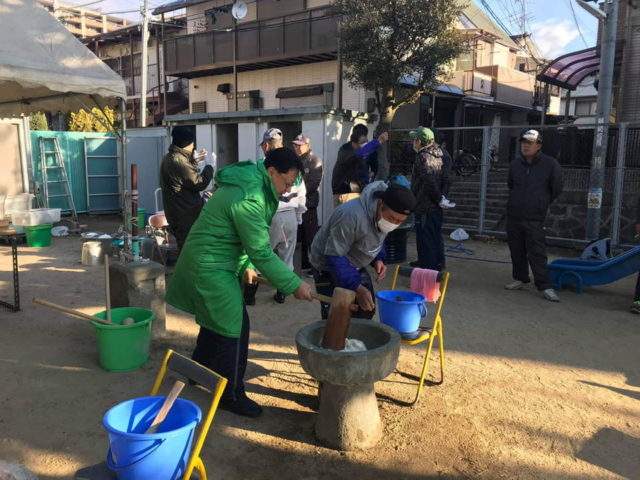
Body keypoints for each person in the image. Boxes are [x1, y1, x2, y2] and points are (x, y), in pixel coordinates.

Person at [166, 148, 314, 417]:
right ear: (272, 172)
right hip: (210, 264)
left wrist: (245, 265)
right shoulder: (251, 195)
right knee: (234, 326)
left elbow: (240, 235)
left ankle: (199, 372)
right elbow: (260, 250)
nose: (288, 189)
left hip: (215, 260)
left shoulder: (255, 182)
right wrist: (293, 284)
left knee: (216, 322)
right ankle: (230, 394)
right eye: (287, 183)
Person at [310, 182, 416, 319]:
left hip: (354, 263)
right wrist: (357, 288)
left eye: (399, 221)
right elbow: (334, 255)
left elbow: (377, 236)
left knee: (365, 309)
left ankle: (355, 339)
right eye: (391, 218)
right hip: (327, 264)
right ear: (380, 204)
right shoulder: (351, 215)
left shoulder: (384, 215)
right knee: (336, 315)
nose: (393, 224)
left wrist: (378, 258)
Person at [505, 129, 563, 302]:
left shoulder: (550, 164)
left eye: (529, 142)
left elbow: (557, 188)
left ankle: (544, 285)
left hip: (535, 217)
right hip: (514, 215)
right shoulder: (515, 164)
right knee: (516, 250)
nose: (525, 145)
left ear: (538, 145)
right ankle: (520, 278)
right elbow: (511, 185)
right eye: (523, 142)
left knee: (537, 251)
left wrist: (540, 202)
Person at [160, 126, 215, 250]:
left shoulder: (170, 157)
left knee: (187, 249)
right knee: (190, 251)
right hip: (185, 214)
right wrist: (210, 166)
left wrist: (193, 162)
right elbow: (199, 183)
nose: (193, 146)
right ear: (188, 143)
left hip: (177, 213)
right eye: (192, 143)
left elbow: (183, 179)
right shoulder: (179, 161)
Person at [410, 127, 448, 271]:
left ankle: (428, 271)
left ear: (419, 141)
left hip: (425, 205)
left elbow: (429, 180)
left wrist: (438, 197)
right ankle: (436, 265)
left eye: (415, 139)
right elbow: (443, 178)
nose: (413, 142)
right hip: (434, 205)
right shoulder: (438, 155)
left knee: (426, 239)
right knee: (434, 236)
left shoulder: (423, 157)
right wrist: (441, 197)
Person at [268, 172, 306, 304]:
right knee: (287, 255)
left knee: (263, 251)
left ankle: (250, 292)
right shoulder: (298, 175)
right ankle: (282, 293)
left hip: (272, 214)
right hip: (290, 214)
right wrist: (298, 217)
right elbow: (302, 198)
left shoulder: (271, 171)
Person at [331, 124, 388, 207]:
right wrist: (377, 142)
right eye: (362, 143)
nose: (364, 145)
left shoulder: (368, 151)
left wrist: (370, 175)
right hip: (345, 192)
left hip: (360, 191)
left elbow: (373, 168)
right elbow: (358, 155)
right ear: (353, 142)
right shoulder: (345, 150)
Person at [292, 134, 323, 275]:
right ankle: (303, 263)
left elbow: (313, 184)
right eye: (295, 145)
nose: (297, 147)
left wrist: (296, 191)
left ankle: (317, 268)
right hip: (296, 205)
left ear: (307, 145)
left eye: (299, 145)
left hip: (309, 204)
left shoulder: (314, 161)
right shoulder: (295, 161)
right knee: (300, 237)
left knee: (312, 237)